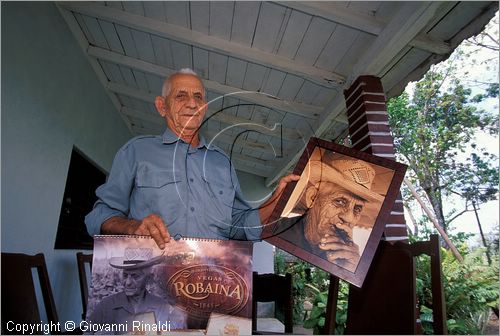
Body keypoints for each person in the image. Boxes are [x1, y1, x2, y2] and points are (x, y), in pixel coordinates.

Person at [85, 68, 298, 248]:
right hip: (149, 283)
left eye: (198, 97)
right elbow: (98, 216)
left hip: (211, 285)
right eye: (180, 96)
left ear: (204, 107)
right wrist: (131, 227)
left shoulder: (222, 162)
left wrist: (277, 201)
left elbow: (240, 226)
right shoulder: (136, 151)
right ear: (162, 106)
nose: (192, 103)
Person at [279, 151, 384, 272]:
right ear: (312, 198)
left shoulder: (346, 257)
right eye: (339, 201)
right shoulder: (277, 230)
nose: (349, 218)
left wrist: (351, 270)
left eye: (357, 209)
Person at [87, 248, 187, 333]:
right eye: (125, 275)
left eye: (135, 276)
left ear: (149, 278)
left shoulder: (162, 307)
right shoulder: (106, 306)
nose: (128, 282)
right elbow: (87, 332)